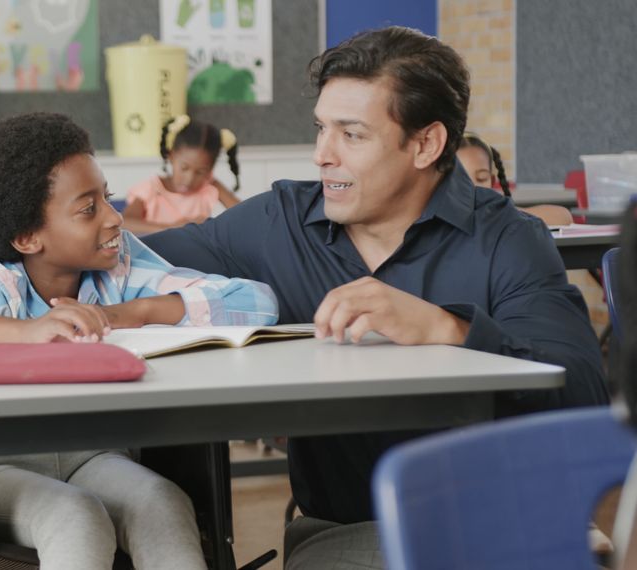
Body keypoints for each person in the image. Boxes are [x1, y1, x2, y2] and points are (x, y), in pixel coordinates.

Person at [141, 27, 609, 569]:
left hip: (497, 522)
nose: (322, 155)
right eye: (321, 129)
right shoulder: (280, 223)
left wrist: (449, 330)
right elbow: (135, 262)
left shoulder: (506, 238)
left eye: (351, 134)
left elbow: (581, 394)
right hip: (346, 533)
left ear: (426, 144)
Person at [0, 112, 278, 569]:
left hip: (92, 453)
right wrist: (20, 331)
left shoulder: (119, 266)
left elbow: (254, 301)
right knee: (76, 516)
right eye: (89, 209)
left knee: (162, 502)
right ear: (27, 237)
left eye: (106, 197)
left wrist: (130, 312)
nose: (114, 217)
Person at [121, 115, 241, 234]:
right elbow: (124, 223)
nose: (189, 179)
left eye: (200, 172)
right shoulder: (151, 190)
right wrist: (174, 229)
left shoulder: (208, 187)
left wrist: (215, 183)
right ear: (171, 156)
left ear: (211, 170)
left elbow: (245, 215)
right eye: (184, 168)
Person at [457, 132, 574, 225]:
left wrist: (504, 213)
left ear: (492, 182)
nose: (474, 186)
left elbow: (564, 216)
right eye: (462, 178)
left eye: (482, 178)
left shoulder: (498, 212)